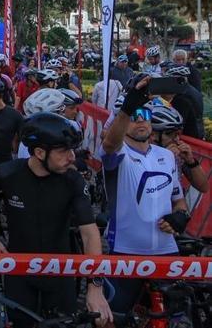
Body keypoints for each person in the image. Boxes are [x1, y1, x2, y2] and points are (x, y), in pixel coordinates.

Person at [0, 113, 112, 328]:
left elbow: (89, 232)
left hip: (60, 270)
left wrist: (95, 287)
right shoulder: (8, 173)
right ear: (39, 152)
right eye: (63, 151)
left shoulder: (72, 181)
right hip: (19, 270)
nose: (72, 157)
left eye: (72, 149)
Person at [98, 76, 190, 316]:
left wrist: (181, 215)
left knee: (171, 317)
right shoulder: (118, 154)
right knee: (115, 319)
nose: (141, 120)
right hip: (125, 252)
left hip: (166, 251)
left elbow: (178, 200)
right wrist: (128, 107)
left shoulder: (166, 156)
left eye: (146, 115)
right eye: (134, 116)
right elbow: (109, 145)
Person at [150, 105, 209, 193]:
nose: (177, 139)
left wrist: (191, 162)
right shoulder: (140, 155)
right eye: (170, 134)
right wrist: (163, 161)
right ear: (153, 135)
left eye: (178, 133)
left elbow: (204, 188)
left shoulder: (177, 155)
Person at [165, 65, 204, 139]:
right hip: (199, 131)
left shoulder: (181, 97)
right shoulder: (192, 90)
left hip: (189, 136)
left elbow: (177, 122)